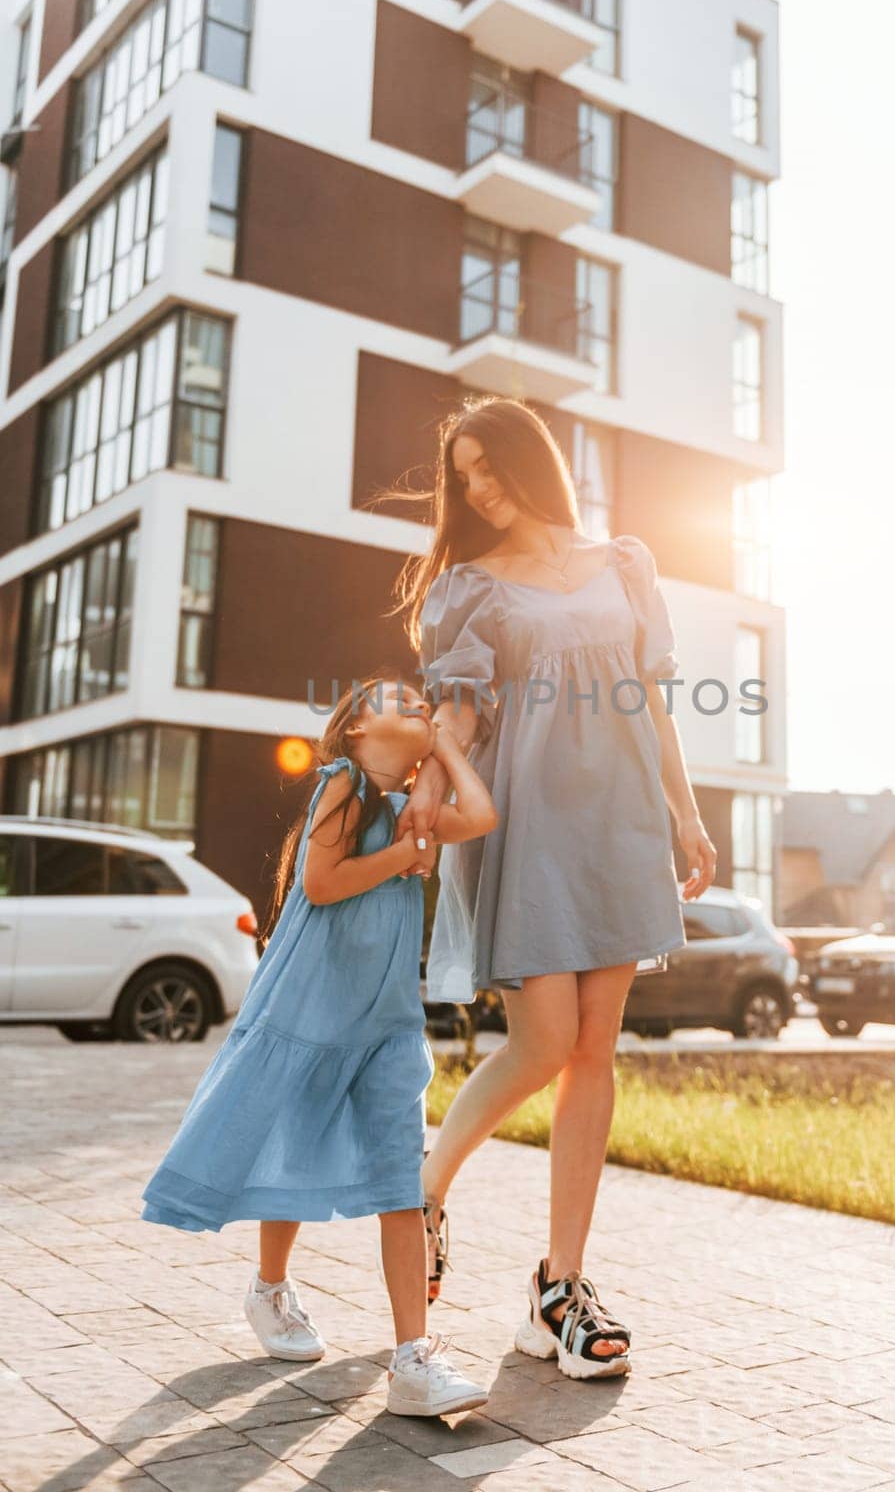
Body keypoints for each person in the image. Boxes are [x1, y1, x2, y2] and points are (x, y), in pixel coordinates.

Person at [387, 398, 718, 1382]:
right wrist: (430, 797)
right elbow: (454, 709)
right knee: (541, 1042)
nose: (479, 490)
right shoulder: (469, 589)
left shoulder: (622, 562)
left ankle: (559, 1288)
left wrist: (685, 813)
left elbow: (648, 697)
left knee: (593, 1049)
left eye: (490, 468)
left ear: (532, 463)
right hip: (530, 826)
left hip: (619, 823)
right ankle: (426, 1186)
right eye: (465, 477)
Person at [141, 677, 497, 1418]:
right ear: (357, 730)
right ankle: (269, 1287)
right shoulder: (342, 782)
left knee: (402, 1178)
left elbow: (484, 814)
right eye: (396, 702)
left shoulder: (412, 809)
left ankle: (412, 1359)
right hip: (309, 1010)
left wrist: (445, 752)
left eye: (419, 702)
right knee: (291, 1143)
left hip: (386, 1020)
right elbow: (322, 881)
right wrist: (402, 856)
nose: (416, 706)